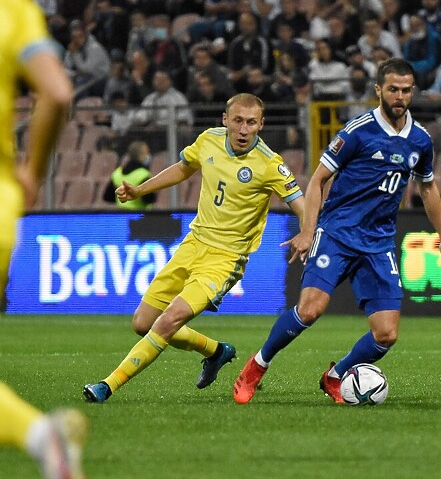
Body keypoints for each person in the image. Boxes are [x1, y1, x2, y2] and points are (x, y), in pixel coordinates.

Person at [232, 58, 441, 405]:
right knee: (309, 310)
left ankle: (335, 376)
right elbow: (318, 179)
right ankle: (256, 367)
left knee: (386, 334)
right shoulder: (357, 131)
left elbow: (427, 188)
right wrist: (308, 231)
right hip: (337, 232)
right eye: (393, 89)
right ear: (379, 90)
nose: (399, 96)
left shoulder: (420, 141)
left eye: (406, 90)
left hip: (378, 243)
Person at [83, 93, 305, 403]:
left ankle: (108, 384)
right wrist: (140, 188)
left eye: (251, 123)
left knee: (170, 319)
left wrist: (306, 232)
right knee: (143, 323)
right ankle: (217, 352)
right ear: (225, 120)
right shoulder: (209, 140)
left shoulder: (269, 164)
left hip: (224, 259)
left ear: (261, 125)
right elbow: (183, 168)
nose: (243, 130)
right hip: (193, 244)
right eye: (238, 121)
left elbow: (300, 202)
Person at [0, 0, 87, 478]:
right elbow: (55, 92)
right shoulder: (12, 8)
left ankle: (40, 435)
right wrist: (32, 169)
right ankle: (41, 437)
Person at [102, 141, 156, 210]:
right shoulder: (143, 174)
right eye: (146, 152)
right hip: (140, 215)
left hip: (122, 214)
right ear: (141, 155)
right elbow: (149, 199)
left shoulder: (117, 173)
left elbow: (107, 197)